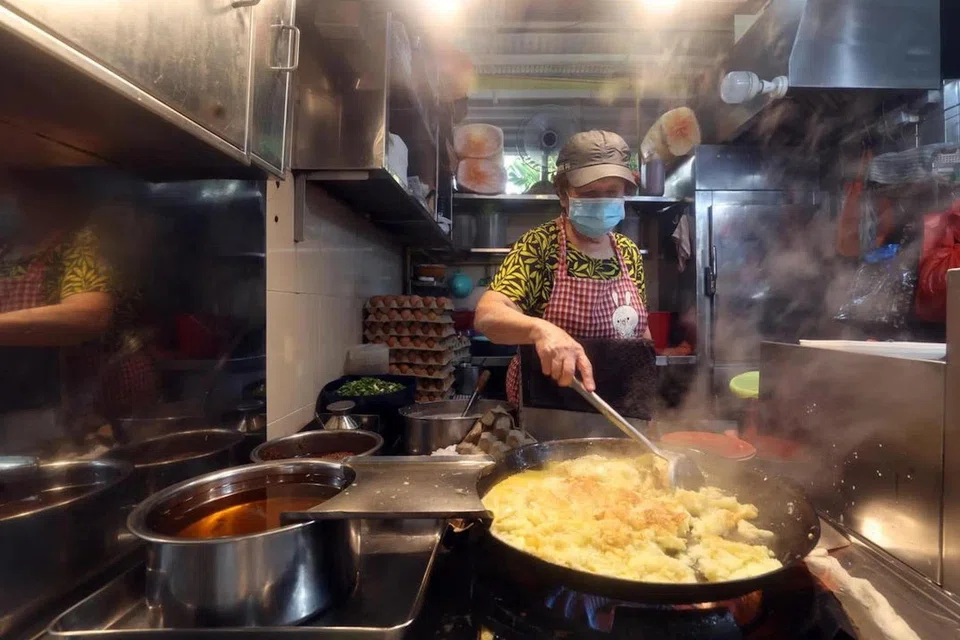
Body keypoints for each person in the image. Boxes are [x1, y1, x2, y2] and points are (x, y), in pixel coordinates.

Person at [475, 131, 652, 406]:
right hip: (550, 406)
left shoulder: (628, 253)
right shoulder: (540, 245)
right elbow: (488, 315)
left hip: (619, 406)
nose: (602, 202)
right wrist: (540, 330)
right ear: (563, 194)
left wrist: (648, 398)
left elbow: (641, 334)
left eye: (612, 192)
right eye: (589, 193)